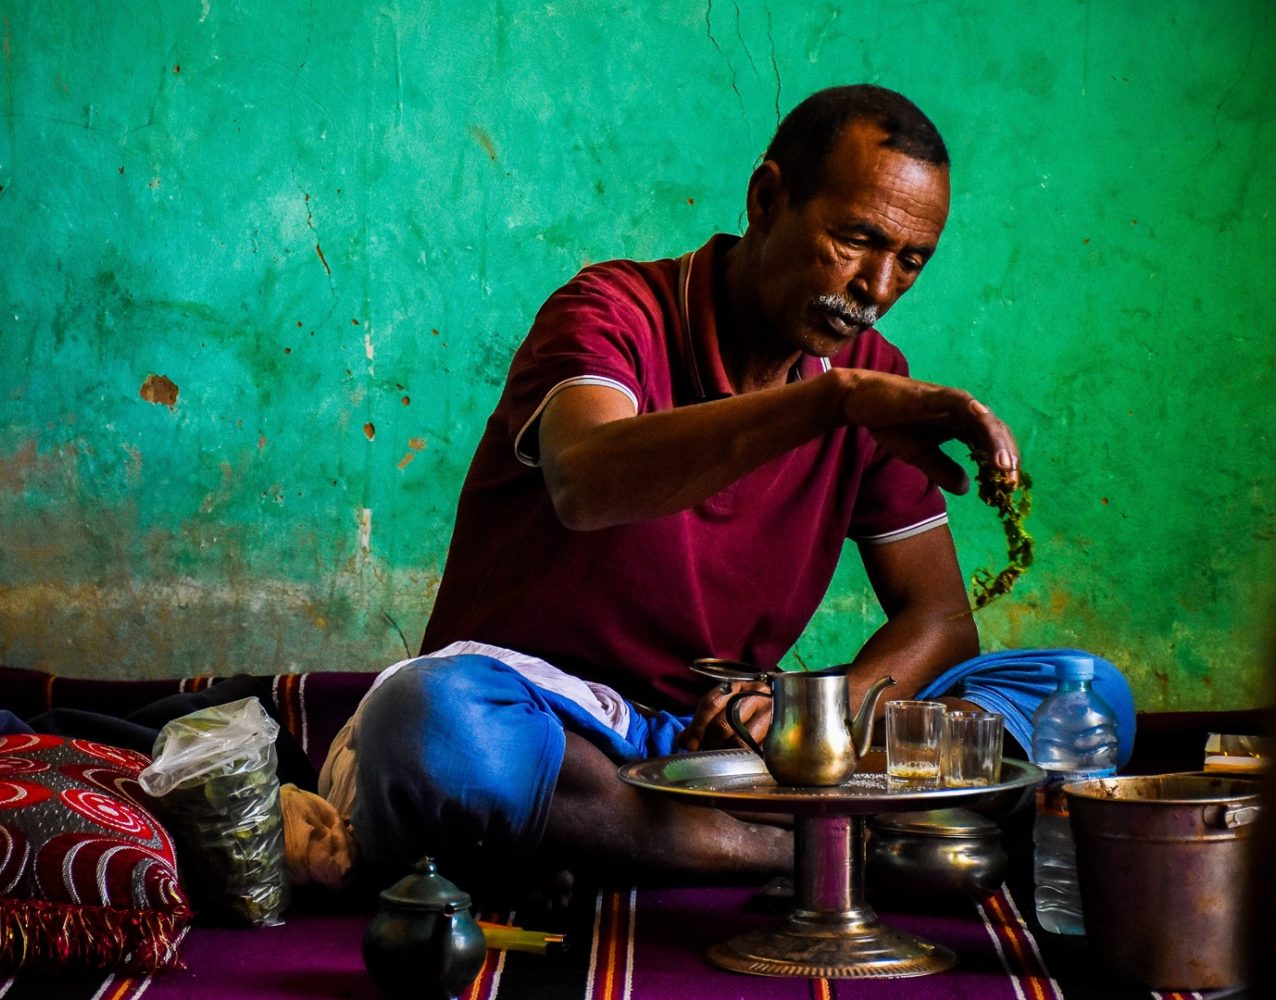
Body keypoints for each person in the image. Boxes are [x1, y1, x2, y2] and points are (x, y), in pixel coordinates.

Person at [319, 84, 1133, 895]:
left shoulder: (872, 380)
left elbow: (941, 618)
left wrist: (812, 718)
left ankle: (656, 837)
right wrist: (828, 404)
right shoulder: (612, 311)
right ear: (767, 197)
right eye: (855, 240)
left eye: (911, 260)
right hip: (555, 725)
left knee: (1082, 693)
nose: (878, 288)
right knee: (427, 723)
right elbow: (584, 480)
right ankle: (815, 855)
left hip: (729, 745)